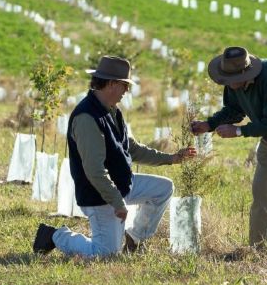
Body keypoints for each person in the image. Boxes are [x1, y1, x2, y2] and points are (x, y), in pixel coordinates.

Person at [33, 56, 196, 257]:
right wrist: (117, 203)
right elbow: (94, 171)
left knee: (163, 188)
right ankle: (56, 236)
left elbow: (132, 149)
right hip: (99, 194)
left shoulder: (112, 110)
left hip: (122, 184)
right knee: (105, 254)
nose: (127, 91)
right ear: (111, 84)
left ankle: (134, 238)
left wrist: (171, 158)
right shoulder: (87, 117)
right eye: (124, 85)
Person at [190, 46, 267, 250]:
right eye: (225, 80)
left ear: (246, 72)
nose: (229, 85)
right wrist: (209, 125)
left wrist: (239, 131)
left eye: (232, 80)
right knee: (261, 192)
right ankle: (260, 250)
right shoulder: (232, 81)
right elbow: (233, 110)